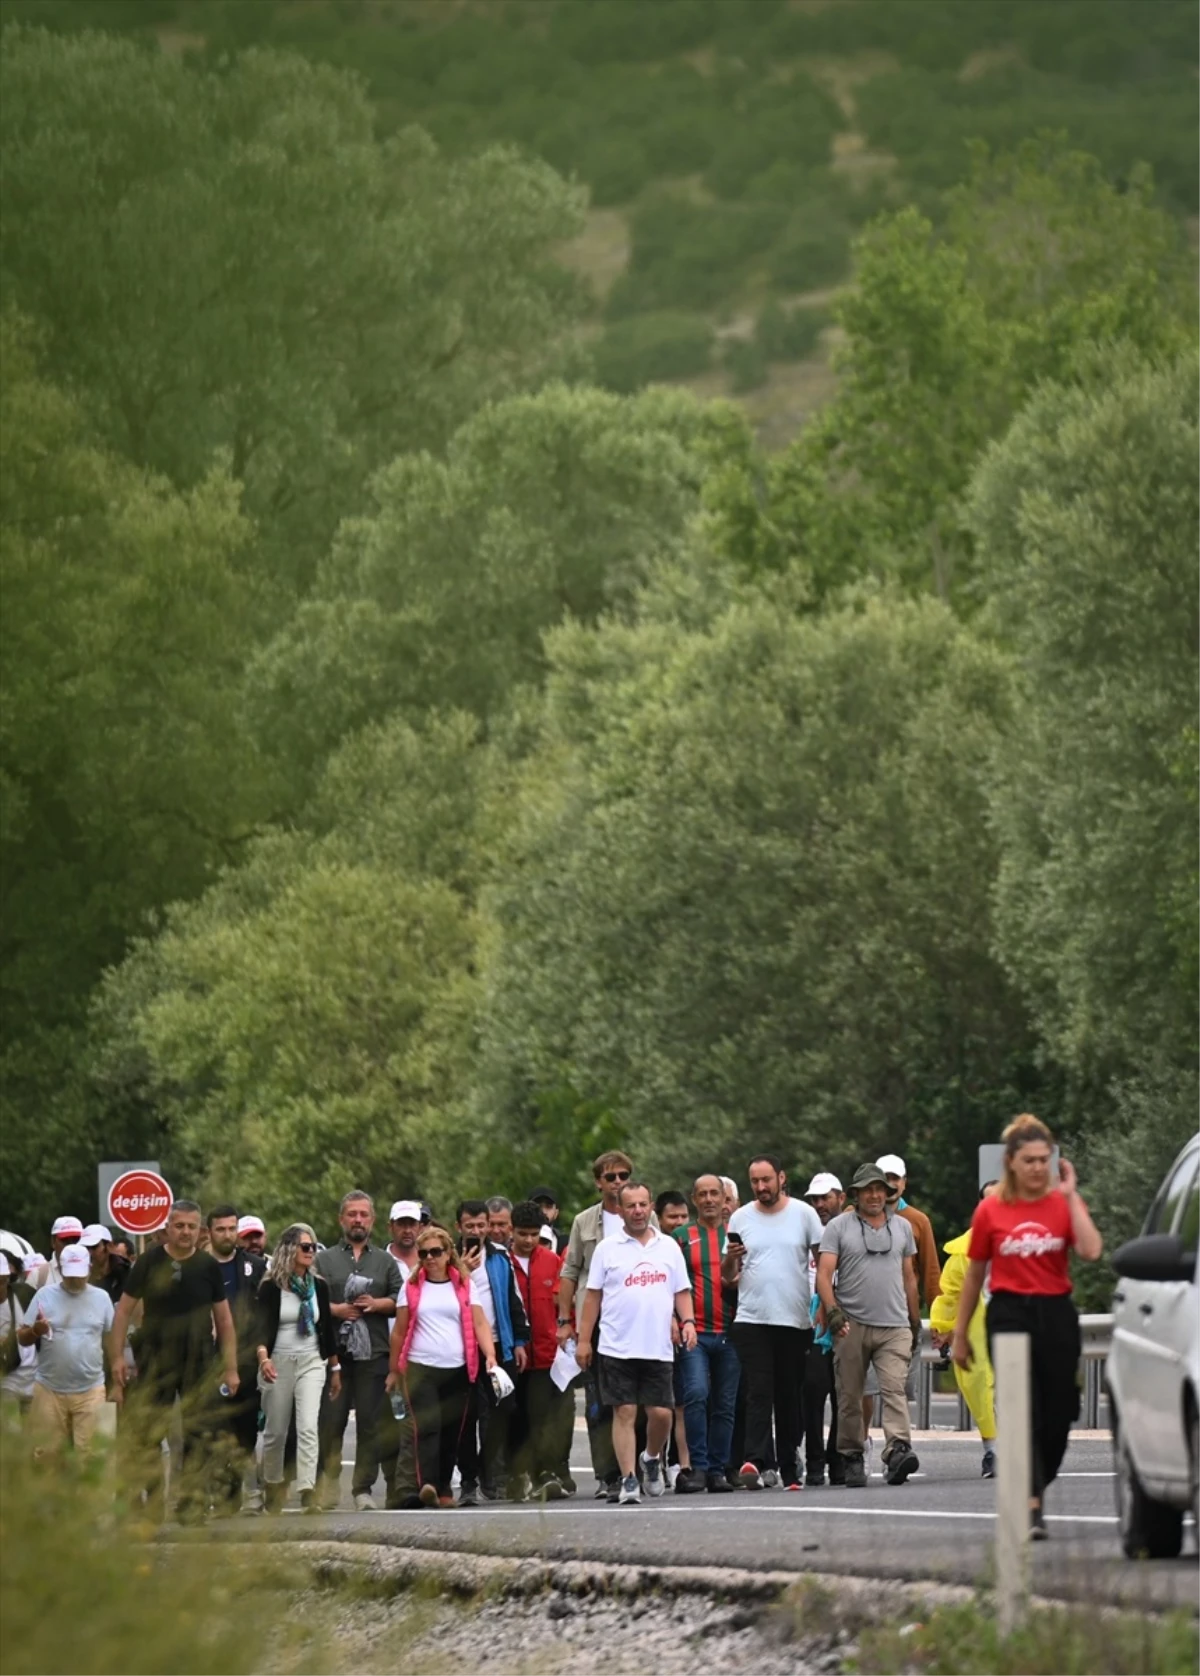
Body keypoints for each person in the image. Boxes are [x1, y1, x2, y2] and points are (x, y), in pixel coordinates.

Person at [952, 1115, 1102, 1538]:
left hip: (1055, 1313)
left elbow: (1091, 1250)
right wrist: (961, 1334)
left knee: (1058, 1414)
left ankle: (1037, 1478)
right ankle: (1031, 1503)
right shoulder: (992, 1209)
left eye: (1044, 1160)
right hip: (1010, 1312)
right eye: (1029, 1160)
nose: (1038, 1168)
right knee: (1021, 1409)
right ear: (1011, 1163)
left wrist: (1071, 1197)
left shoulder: (1061, 1202)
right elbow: (974, 1274)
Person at [110, 1199, 238, 1521]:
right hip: (156, 1358)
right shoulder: (149, 1262)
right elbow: (123, 1311)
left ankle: (191, 1505)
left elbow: (224, 1321)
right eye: (179, 1225)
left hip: (198, 1358)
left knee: (197, 1434)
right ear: (167, 1227)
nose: (185, 1232)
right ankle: (152, 1504)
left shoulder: (208, 1266)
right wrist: (116, 1360)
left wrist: (231, 1368)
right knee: (150, 1433)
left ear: (201, 1230)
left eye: (191, 1227)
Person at [576, 1181, 696, 1506]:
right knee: (624, 1410)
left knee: (661, 1414)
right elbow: (593, 1298)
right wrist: (584, 1340)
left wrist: (687, 1322)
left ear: (651, 1206)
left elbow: (681, 1292)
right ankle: (629, 1479)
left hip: (657, 1347)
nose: (638, 1211)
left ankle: (651, 1458)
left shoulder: (668, 1247)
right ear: (621, 1209)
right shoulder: (607, 1249)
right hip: (616, 1346)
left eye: (643, 1204)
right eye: (631, 1206)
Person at [558, 1150, 656, 1502]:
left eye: (624, 1175)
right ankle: (608, 1476)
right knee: (602, 1402)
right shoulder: (586, 1222)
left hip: (640, 1323)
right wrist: (565, 1322)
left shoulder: (649, 1217)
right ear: (598, 1181)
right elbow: (569, 1271)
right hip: (597, 1323)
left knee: (643, 1402)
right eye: (611, 1177)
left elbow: (665, 1270)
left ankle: (639, 1469)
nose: (618, 1182)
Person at [817, 1162, 922, 1489]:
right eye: (868, 1190)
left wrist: (914, 1320)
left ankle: (897, 1450)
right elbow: (823, 1275)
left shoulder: (902, 1228)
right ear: (857, 1194)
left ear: (888, 1193)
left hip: (894, 1324)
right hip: (852, 1324)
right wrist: (832, 1312)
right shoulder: (839, 1227)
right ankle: (851, 1455)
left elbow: (909, 1277)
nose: (875, 1195)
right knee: (849, 1394)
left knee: (893, 1388)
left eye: (880, 1189)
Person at [721, 1155, 822, 1491]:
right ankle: (754, 1460)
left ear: (781, 1178)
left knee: (788, 1395)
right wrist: (729, 1262)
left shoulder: (804, 1214)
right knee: (758, 1391)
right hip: (752, 1317)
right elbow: (728, 1276)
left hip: (794, 1319)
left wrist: (825, 1306)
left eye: (767, 1180)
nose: (761, 1187)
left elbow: (823, 1263)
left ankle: (790, 1466)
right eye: (755, 1182)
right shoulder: (740, 1217)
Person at [387, 1224, 498, 1508]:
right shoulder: (411, 1288)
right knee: (428, 1427)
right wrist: (393, 1370)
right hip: (420, 1367)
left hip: (458, 1368)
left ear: (449, 1253)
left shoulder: (464, 1285)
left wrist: (490, 1355)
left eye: (436, 1252)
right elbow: (399, 1332)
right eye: (423, 1253)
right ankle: (428, 1484)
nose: (430, 1258)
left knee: (453, 1430)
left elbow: (480, 1322)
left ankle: (445, 1487)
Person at [315, 1190, 401, 1512]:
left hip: (374, 1353)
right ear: (341, 1219)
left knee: (370, 1424)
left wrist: (377, 1304)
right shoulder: (324, 1259)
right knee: (331, 1422)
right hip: (335, 1353)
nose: (358, 1220)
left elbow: (399, 1301)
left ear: (373, 1220)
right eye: (352, 1214)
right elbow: (311, 1299)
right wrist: (335, 1310)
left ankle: (362, 1489)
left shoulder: (384, 1260)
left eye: (364, 1214)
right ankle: (330, 1483)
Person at [255, 1223, 341, 1514]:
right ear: (290, 1249)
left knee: (307, 1426)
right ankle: (273, 1482)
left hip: (311, 1360)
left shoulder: (319, 1286)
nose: (310, 1252)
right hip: (278, 1360)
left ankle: (307, 1489)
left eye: (314, 1247)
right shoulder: (271, 1286)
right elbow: (261, 1329)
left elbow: (326, 1328)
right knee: (276, 1430)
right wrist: (264, 1359)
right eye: (305, 1247)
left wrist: (335, 1367)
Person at [672, 1174, 738, 1495]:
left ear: (726, 1199)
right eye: (703, 1194)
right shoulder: (681, 1237)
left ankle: (718, 1470)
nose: (710, 1199)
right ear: (694, 1199)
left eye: (716, 1193)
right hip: (694, 1332)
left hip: (732, 1333)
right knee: (696, 1394)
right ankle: (696, 1467)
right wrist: (675, 1319)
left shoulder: (737, 1235)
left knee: (725, 1403)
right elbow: (671, 1284)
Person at [19, 1243, 114, 1463]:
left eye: (79, 1275)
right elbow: (22, 1337)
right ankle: (50, 1497)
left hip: (91, 1388)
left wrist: (116, 1381)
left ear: (89, 1269)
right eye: (69, 1275)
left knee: (92, 1456)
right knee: (46, 1455)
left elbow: (111, 1339)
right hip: (49, 1389)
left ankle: (92, 1499)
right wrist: (35, 1330)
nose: (74, 1280)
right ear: (60, 1270)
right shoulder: (44, 1295)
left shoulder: (102, 1298)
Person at [930, 1188, 998, 1478]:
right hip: (978, 1334)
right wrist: (944, 1328)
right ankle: (992, 1451)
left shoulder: (1025, 1242)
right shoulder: (964, 1250)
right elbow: (951, 1294)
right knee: (982, 1391)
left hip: (1019, 1328)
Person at [508, 1200, 571, 1498]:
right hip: (513, 1354)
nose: (529, 1240)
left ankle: (546, 1473)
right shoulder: (501, 1262)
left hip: (546, 1354)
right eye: (523, 1234)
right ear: (511, 1231)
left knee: (543, 1416)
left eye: (535, 1234)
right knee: (515, 1417)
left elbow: (562, 1300)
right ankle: (515, 1475)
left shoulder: (551, 1260)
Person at [207, 1204, 266, 1514]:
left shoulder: (255, 1267)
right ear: (210, 1232)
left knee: (244, 1429)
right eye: (221, 1229)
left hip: (246, 1359)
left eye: (232, 1228)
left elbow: (263, 1314)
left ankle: (240, 1490)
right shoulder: (199, 1266)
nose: (227, 1234)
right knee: (215, 1428)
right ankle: (223, 1493)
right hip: (208, 1361)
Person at [802, 1172, 845, 1487]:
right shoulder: (806, 1231)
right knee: (814, 1392)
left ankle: (839, 1458)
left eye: (825, 1197)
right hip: (813, 1326)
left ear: (840, 1198)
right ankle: (814, 1461)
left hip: (847, 1321)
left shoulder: (852, 1230)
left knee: (844, 1395)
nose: (819, 1204)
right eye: (814, 1199)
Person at [80, 1224, 129, 1305]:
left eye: (94, 1247)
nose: (89, 1252)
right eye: (85, 1248)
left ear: (109, 1246)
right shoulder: (77, 1274)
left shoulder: (124, 1274)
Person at [32, 1216, 84, 1289]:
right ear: (53, 1242)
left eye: (76, 1240)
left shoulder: (92, 1273)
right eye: (65, 1240)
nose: (71, 1246)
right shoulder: (37, 1276)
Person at [386, 1201, 422, 1282]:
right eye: (401, 1224)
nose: (407, 1230)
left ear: (420, 1227)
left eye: (412, 1224)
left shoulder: (429, 1259)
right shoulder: (379, 1261)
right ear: (390, 1227)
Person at [528, 1186, 567, 1254]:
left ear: (556, 1213)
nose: (543, 1211)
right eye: (538, 1206)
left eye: (548, 1206)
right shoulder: (516, 1242)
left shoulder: (565, 1244)